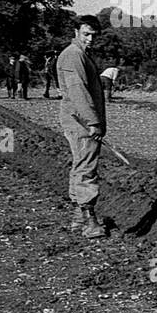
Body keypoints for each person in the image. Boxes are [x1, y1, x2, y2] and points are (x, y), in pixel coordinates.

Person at [56, 15, 107, 238]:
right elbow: (78, 92)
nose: (90, 39)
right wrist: (93, 122)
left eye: (94, 35)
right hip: (81, 122)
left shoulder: (79, 55)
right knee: (86, 168)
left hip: (78, 120)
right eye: (86, 34)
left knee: (80, 165)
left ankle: (79, 218)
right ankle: (90, 222)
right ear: (76, 32)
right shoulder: (73, 55)